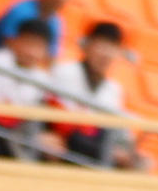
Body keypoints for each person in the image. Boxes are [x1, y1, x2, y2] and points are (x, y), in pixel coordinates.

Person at [51, 21, 144, 168]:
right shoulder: (65, 72)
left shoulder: (113, 90)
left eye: (112, 48)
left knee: (139, 162)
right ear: (87, 46)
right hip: (65, 143)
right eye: (101, 46)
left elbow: (120, 135)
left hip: (93, 148)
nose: (106, 54)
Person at [0, 18, 62, 158]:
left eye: (38, 47)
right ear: (15, 41)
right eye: (29, 43)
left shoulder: (43, 81)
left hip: (18, 134)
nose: (32, 52)